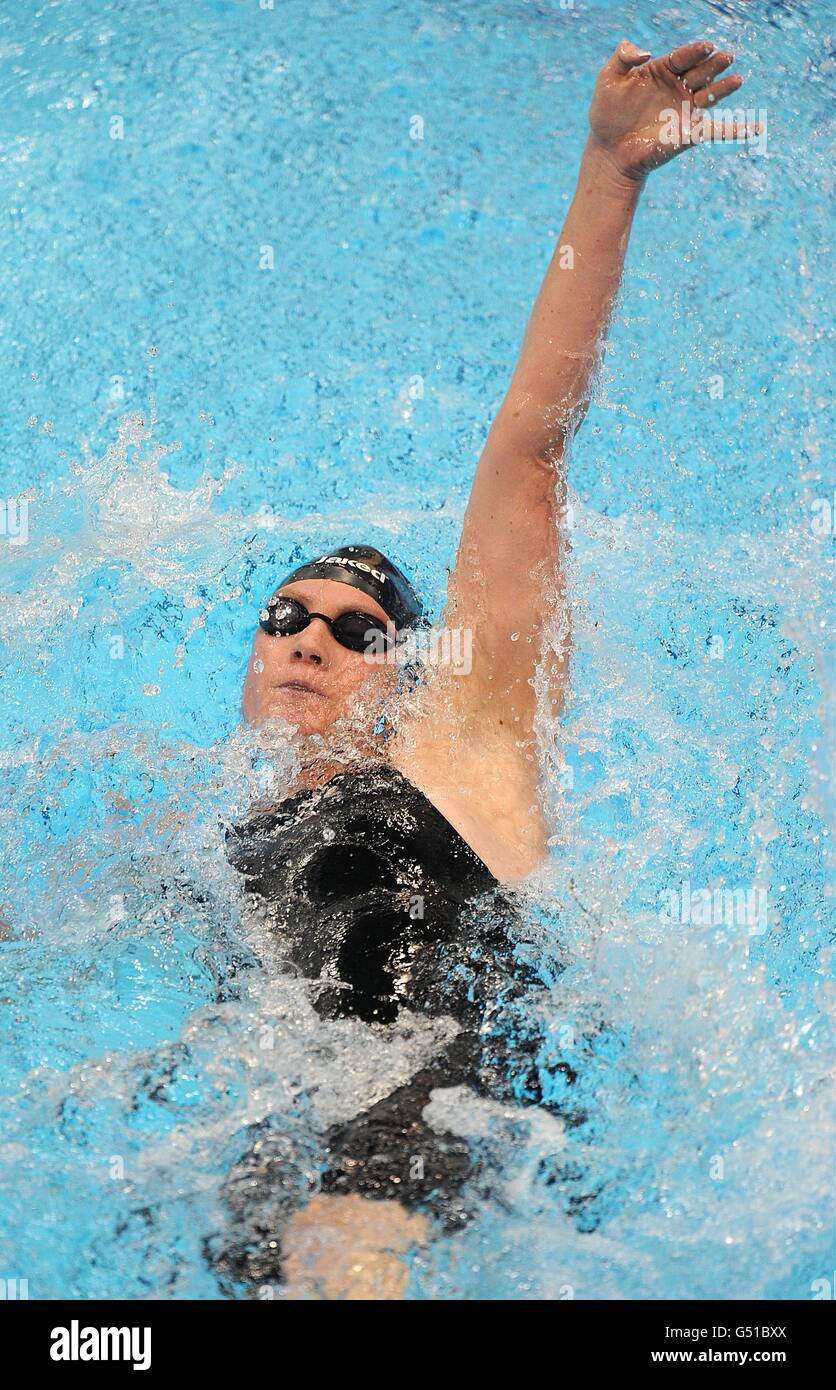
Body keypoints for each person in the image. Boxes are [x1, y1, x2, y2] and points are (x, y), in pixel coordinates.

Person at [212, 39, 756, 1299]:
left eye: (356, 631)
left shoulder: (460, 750)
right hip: (274, 1153)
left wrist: (608, 170)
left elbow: (525, 455)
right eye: (285, 612)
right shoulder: (213, 828)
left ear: (407, 675)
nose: (309, 636)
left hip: (409, 1150)